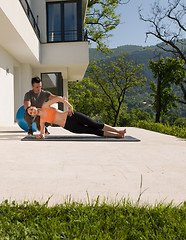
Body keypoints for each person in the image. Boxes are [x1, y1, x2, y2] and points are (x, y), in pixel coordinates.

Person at [26, 96, 126, 139]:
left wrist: (70, 106)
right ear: (32, 115)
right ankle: (117, 136)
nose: (32, 111)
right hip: (69, 126)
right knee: (93, 131)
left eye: (31, 109)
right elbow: (43, 133)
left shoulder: (45, 105)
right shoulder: (42, 121)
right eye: (31, 112)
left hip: (71, 116)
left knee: (95, 124)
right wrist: (41, 136)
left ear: (34, 106)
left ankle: (118, 131)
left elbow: (59, 99)